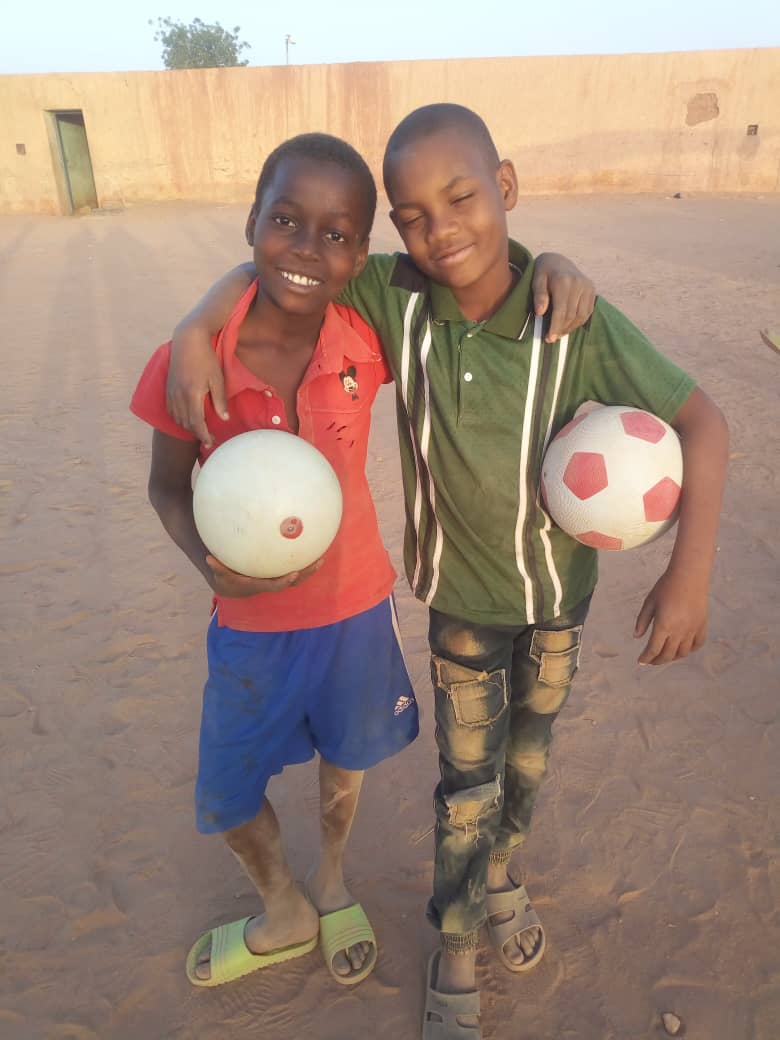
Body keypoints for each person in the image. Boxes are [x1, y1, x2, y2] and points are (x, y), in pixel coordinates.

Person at [166, 105, 728, 1039]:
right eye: (413, 216)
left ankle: (502, 876)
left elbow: (703, 421)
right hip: (462, 612)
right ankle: (456, 947)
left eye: (462, 198)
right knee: (466, 790)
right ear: (395, 231)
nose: (441, 230)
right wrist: (198, 323)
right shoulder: (403, 301)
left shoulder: (573, 319)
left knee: (526, 767)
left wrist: (690, 575)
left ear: (505, 187)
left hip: (558, 608)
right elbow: (289, 265)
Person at [131, 133, 425, 991]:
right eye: (285, 221)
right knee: (227, 791)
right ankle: (281, 904)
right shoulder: (190, 364)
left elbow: (465, 282)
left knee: (347, 760)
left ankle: (329, 883)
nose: (306, 248)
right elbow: (166, 488)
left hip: (356, 610)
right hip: (250, 629)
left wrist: (549, 262)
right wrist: (208, 566)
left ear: (359, 257)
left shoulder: (366, 338)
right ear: (251, 222)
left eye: (336, 235)